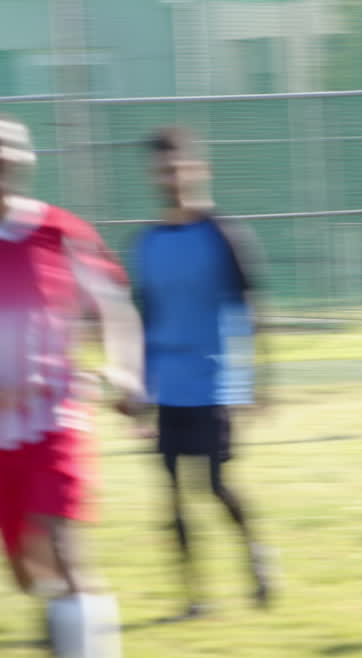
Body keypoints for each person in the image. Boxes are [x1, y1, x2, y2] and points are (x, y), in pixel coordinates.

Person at [0, 114, 143, 658]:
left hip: (55, 416)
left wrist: (124, 370)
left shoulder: (60, 232)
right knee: (30, 571)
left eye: (8, 154)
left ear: (23, 162)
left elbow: (114, 307)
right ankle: (55, 607)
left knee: (66, 548)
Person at [132, 126, 273, 617]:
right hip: (165, 385)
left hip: (212, 381)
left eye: (179, 166)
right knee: (170, 495)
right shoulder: (146, 243)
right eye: (162, 169)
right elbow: (139, 320)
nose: (171, 176)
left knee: (212, 485)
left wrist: (261, 380)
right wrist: (136, 388)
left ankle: (256, 557)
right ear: (155, 175)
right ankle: (195, 599)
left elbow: (253, 307)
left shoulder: (224, 235)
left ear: (197, 168)